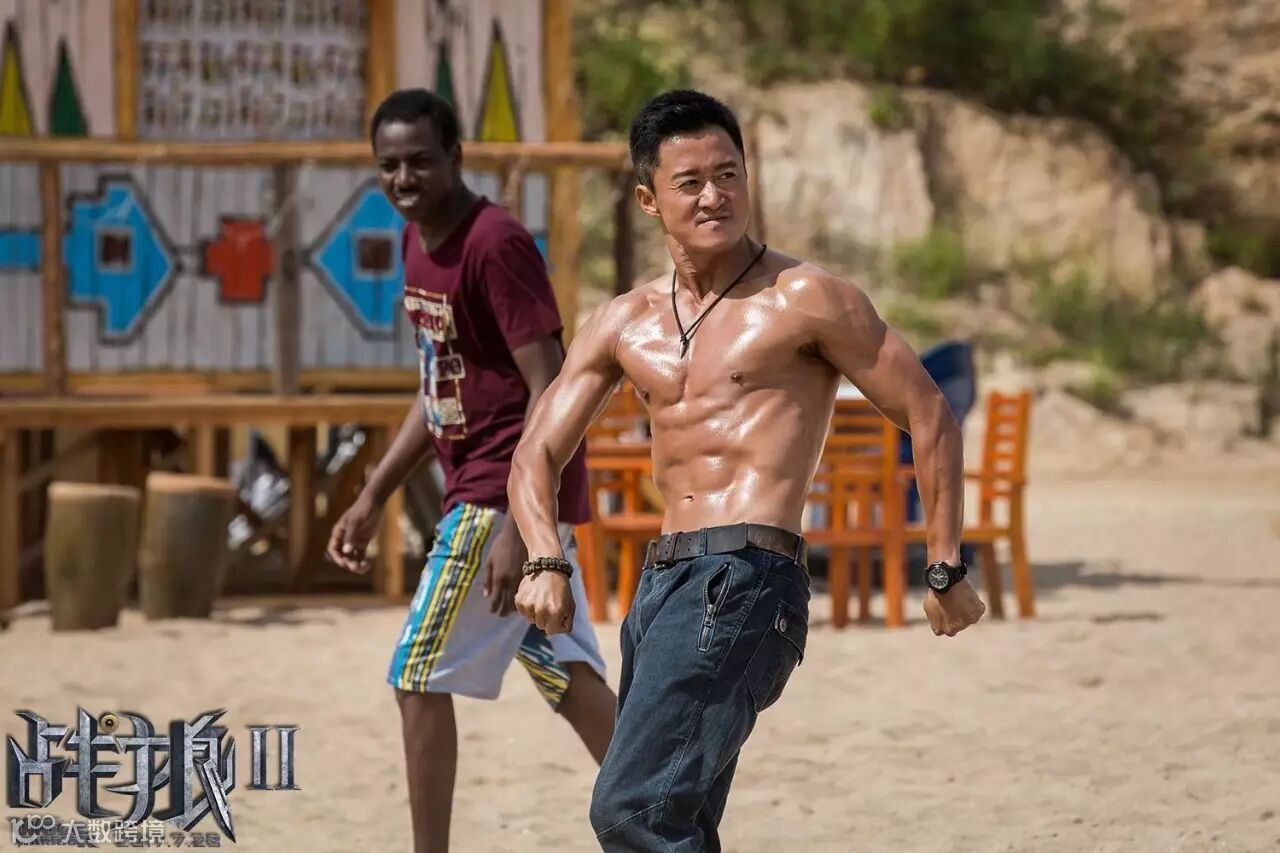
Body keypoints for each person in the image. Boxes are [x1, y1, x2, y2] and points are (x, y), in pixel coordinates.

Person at [507, 89, 986, 851]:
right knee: (678, 810)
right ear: (648, 199)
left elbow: (929, 413)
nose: (715, 195)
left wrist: (943, 565)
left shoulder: (806, 299)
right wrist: (544, 557)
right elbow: (535, 450)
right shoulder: (624, 321)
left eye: (729, 174)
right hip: (661, 586)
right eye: (691, 181)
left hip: (747, 574)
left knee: (633, 809)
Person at [326, 88, 617, 853]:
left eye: (420, 161)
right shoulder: (416, 240)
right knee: (565, 674)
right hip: (498, 491)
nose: (403, 178)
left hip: (501, 491)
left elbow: (551, 385)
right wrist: (373, 494)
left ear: (455, 157)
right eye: (388, 165)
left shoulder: (495, 243)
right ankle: (671, 829)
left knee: (416, 677)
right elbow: (437, 385)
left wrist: (523, 526)